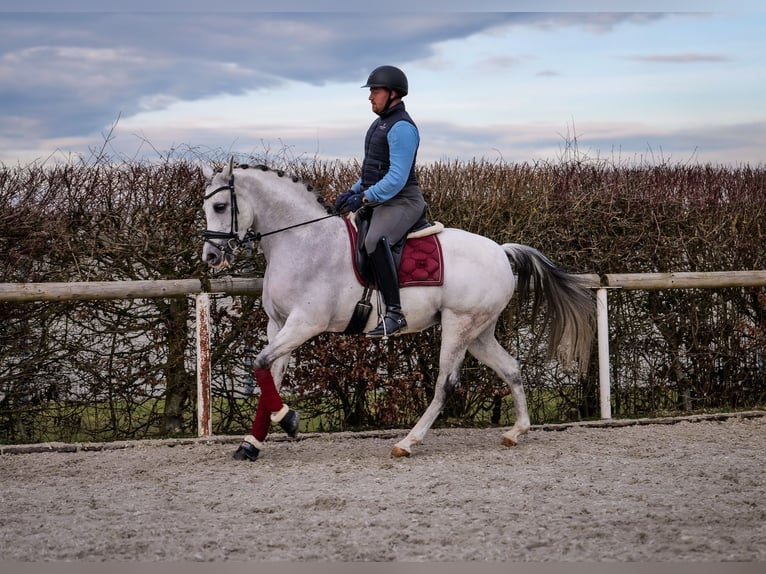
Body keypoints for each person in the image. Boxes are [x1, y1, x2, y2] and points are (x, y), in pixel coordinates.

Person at [335, 65, 427, 337]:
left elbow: (397, 178)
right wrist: (352, 192)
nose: (370, 97)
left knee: (374, 240)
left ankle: (395, 313)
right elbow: (373, 172)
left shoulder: (402, 128)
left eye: (375, 91)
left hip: (403, 201)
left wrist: (365, 197)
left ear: (393, 93)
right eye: (371, 91)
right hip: (384, 199)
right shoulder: (379, 124)